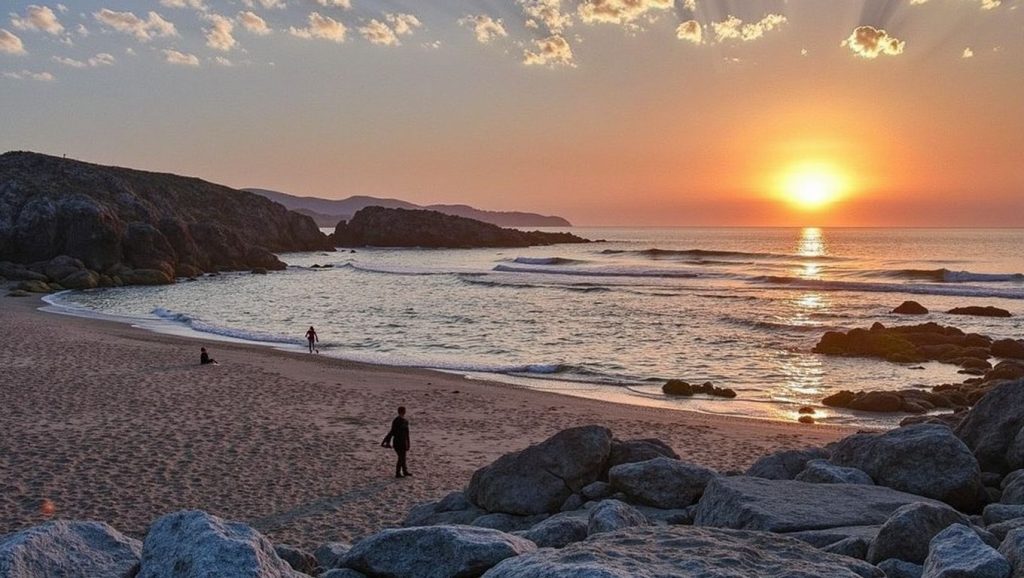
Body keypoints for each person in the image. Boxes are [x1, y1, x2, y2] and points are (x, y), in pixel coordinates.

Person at [381, 406, 411, 478]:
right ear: (403, 411)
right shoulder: (398, 421)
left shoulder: (405, 421)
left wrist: (408, 443)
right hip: (398, 442)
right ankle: (398, 473)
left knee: (403, 457)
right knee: (401, 457)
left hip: (402, 441)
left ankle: (404, 471)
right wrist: (386, 441)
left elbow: (406, 433)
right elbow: (392, 432)